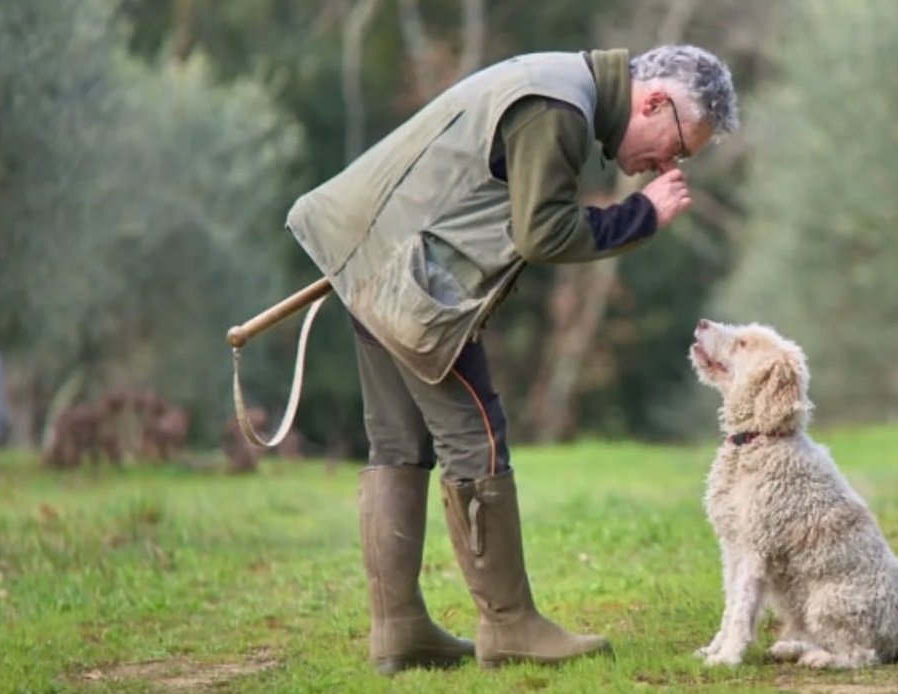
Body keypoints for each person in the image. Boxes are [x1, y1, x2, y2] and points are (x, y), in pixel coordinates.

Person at [285, 44, 739, 673]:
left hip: (370, 256)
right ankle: (509, 625)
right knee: (477, 438)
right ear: (655, 101)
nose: (667, 162)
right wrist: (642, 216)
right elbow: (543, 232)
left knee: (399, 442)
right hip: (407, 277)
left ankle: (400, 630)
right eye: (679, 146)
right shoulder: (559, 107)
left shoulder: (557, 82)